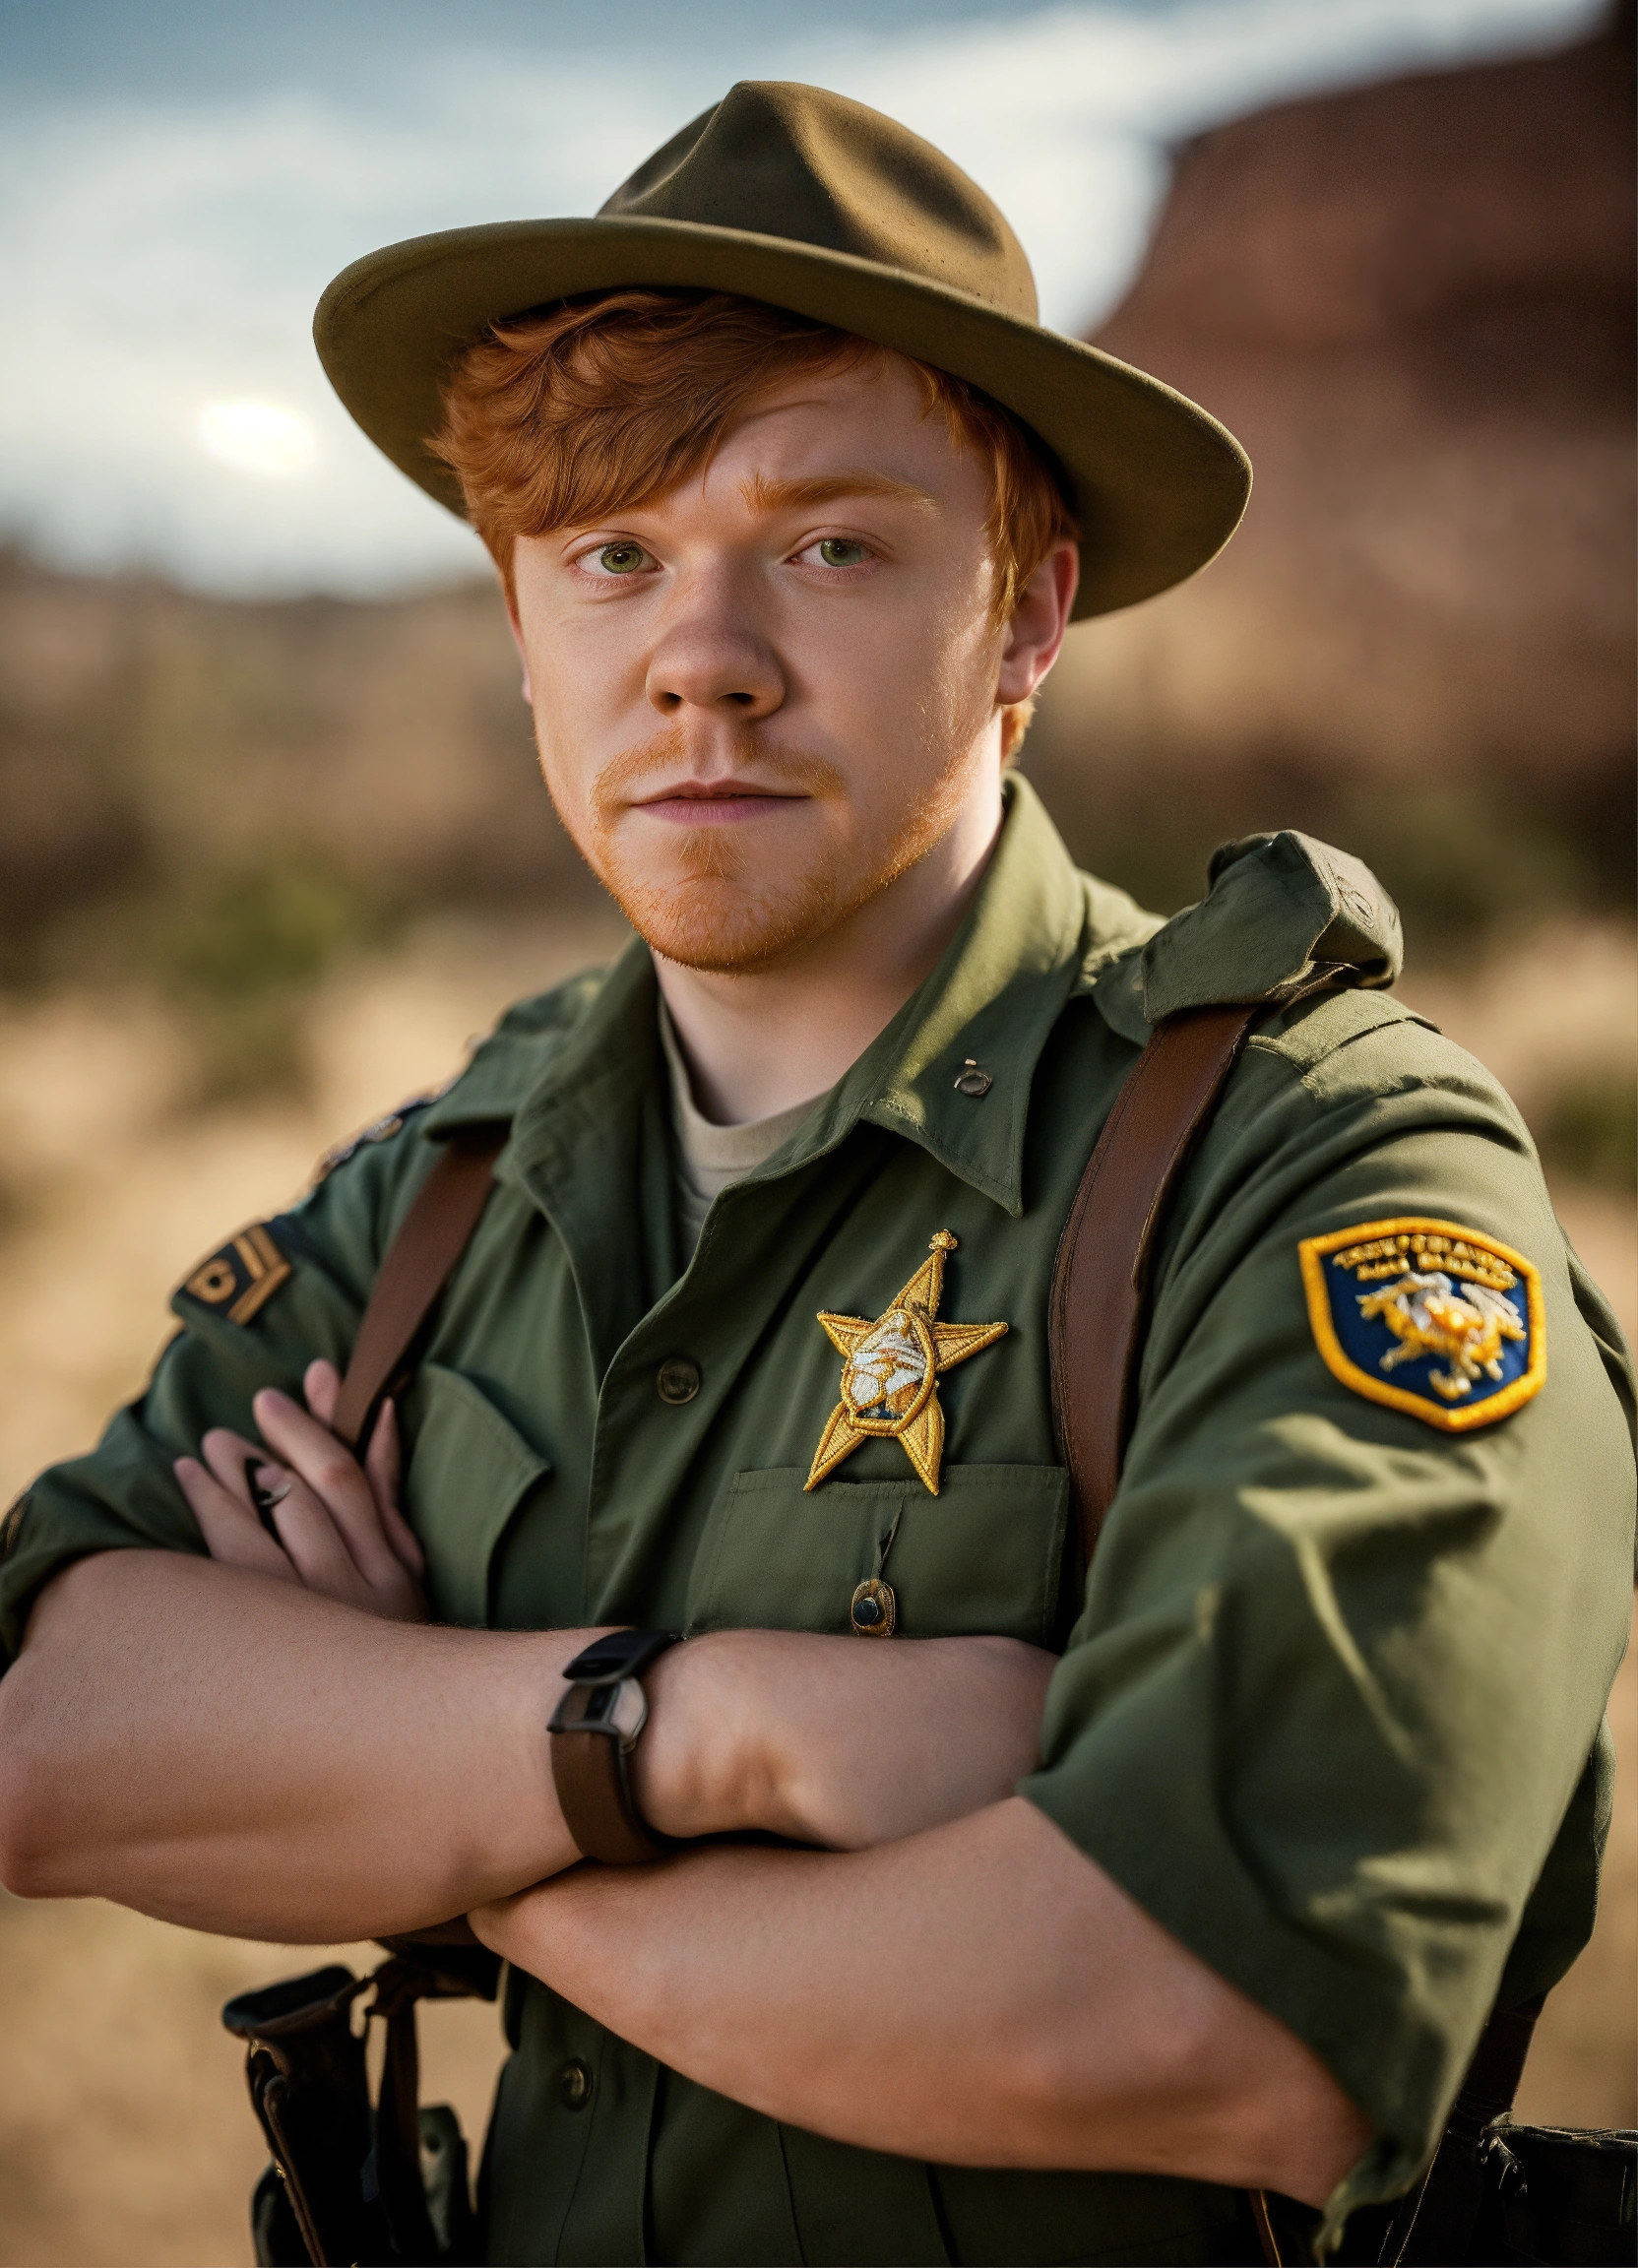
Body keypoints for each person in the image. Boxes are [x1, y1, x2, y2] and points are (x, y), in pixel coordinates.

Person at [0, 81, 1630, 2268]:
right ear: (519, 625)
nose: (700, 657)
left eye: (831, 544)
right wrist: (710, 1731)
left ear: (1029, 620)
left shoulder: (1307, 1165)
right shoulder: (449, 1195)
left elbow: (1222, 2017)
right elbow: (51, 1729)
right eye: (611, 556)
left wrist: (465, 1829)